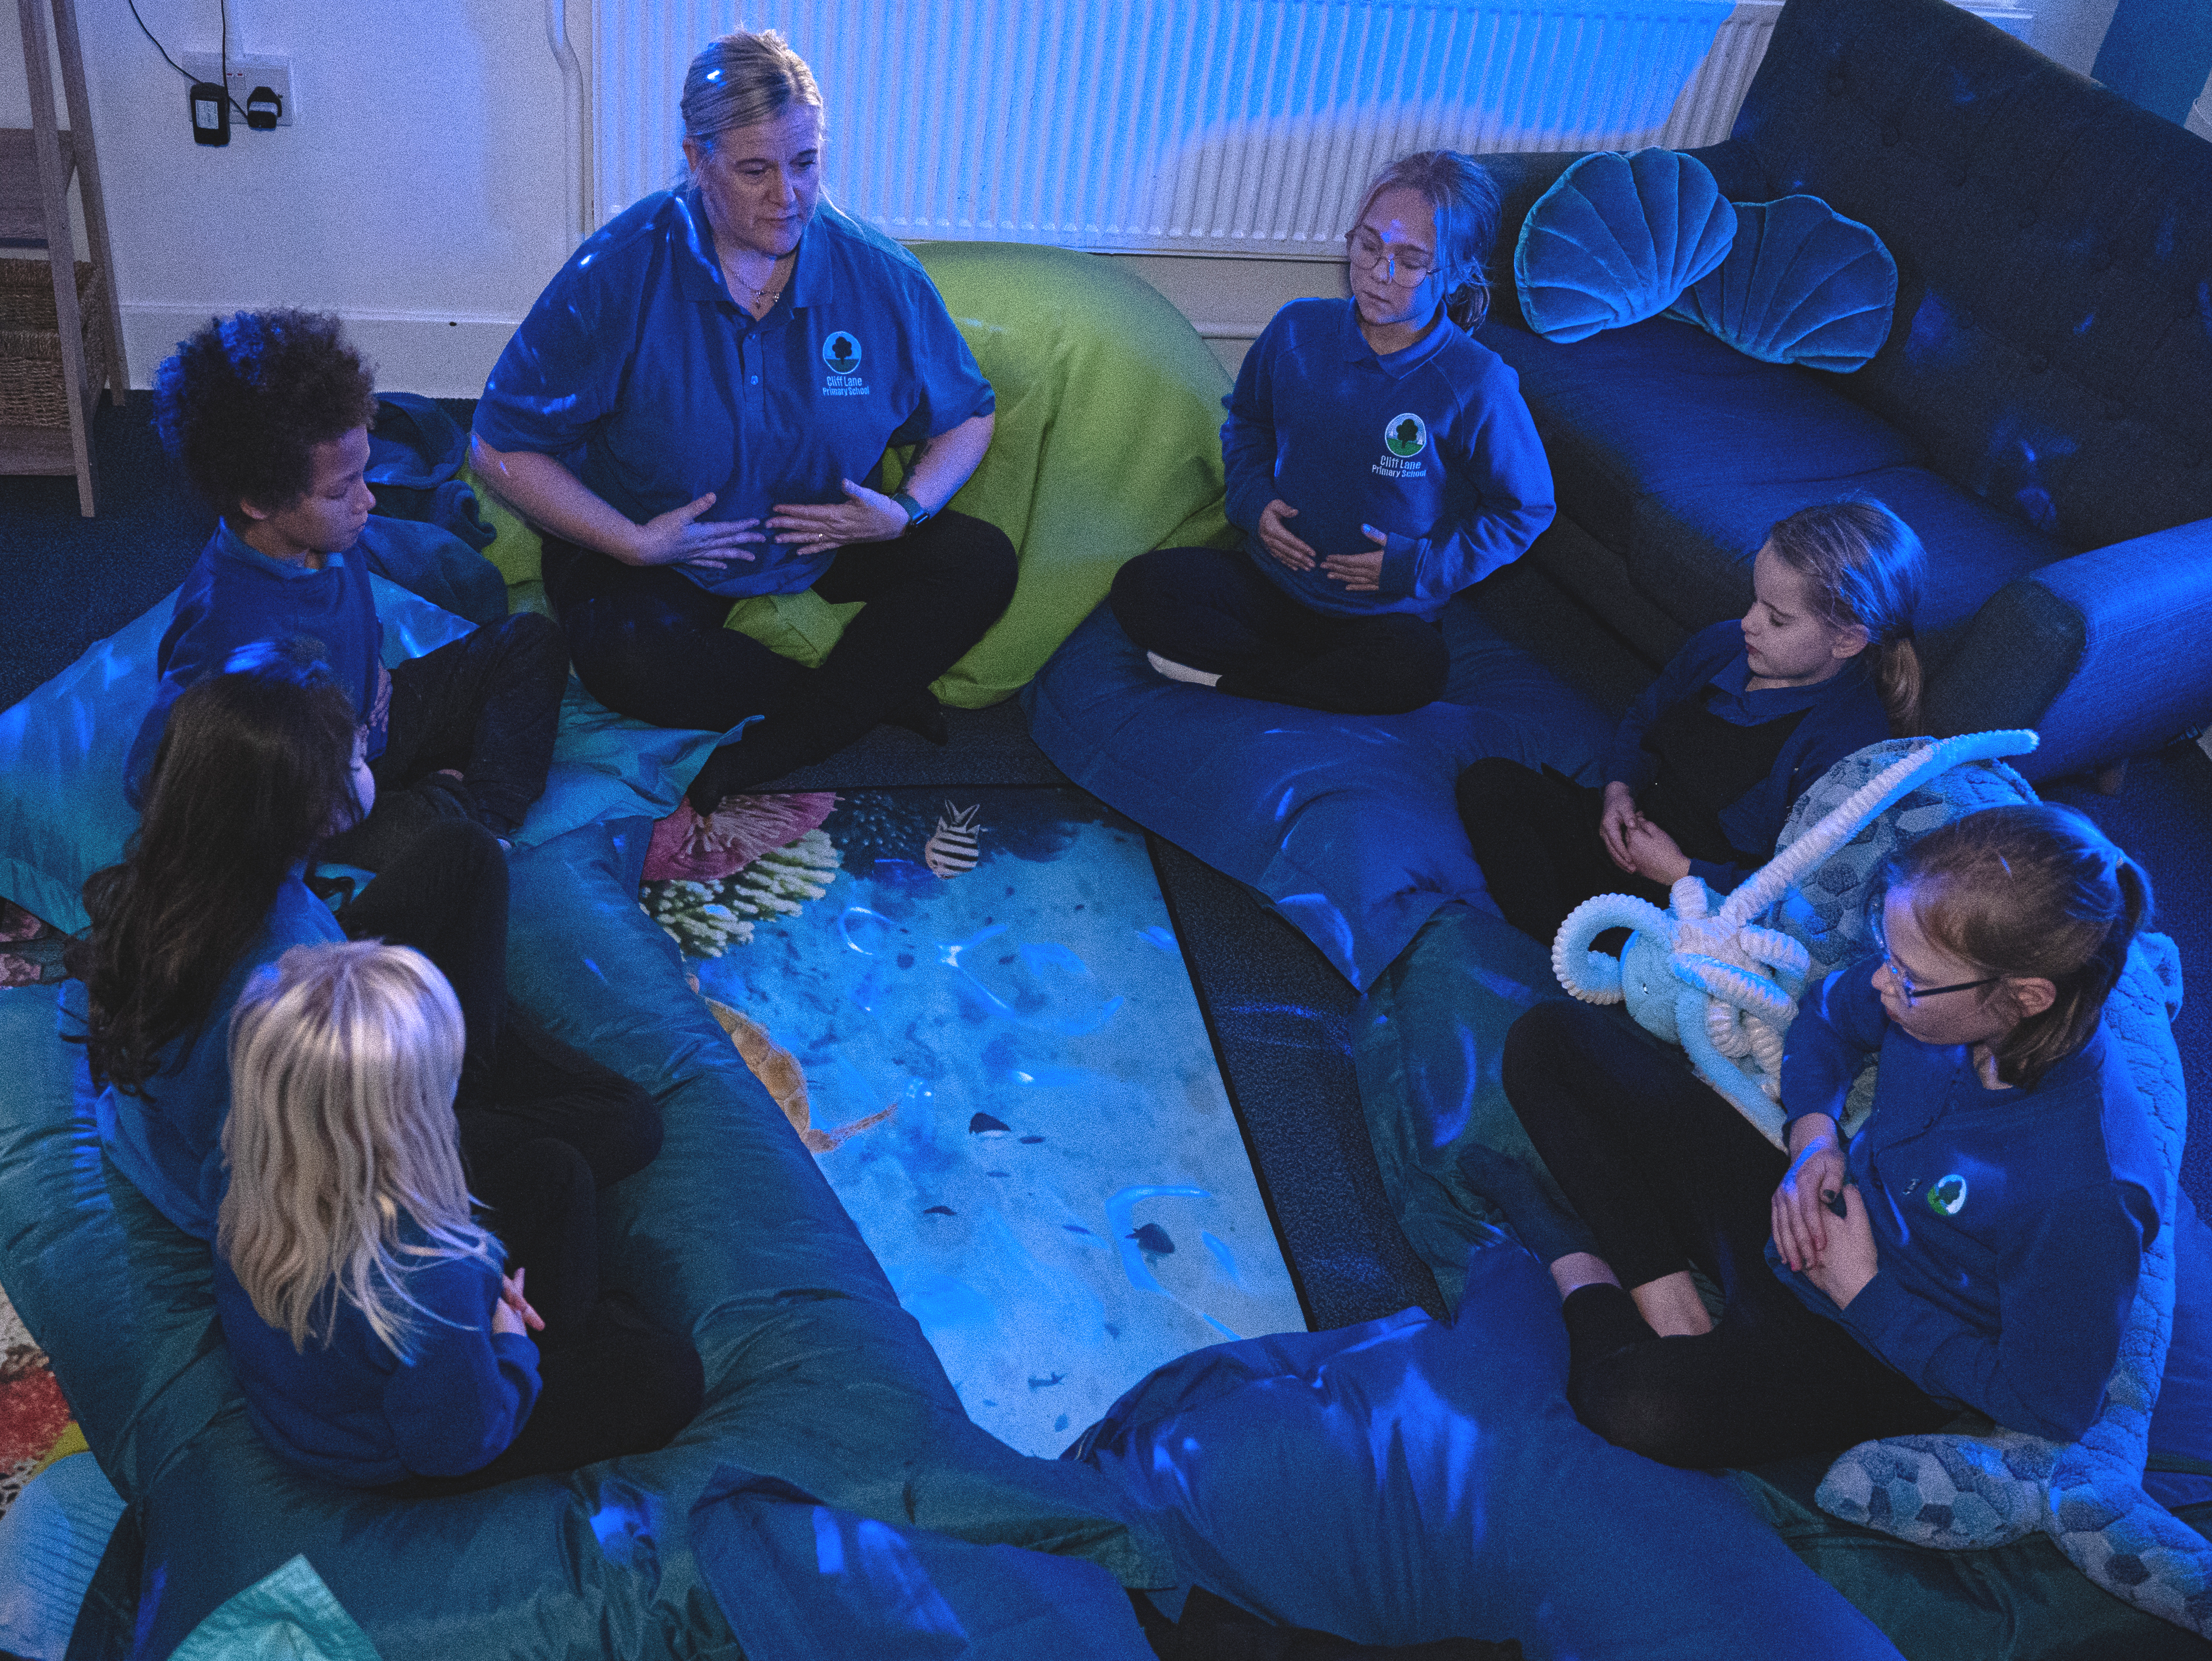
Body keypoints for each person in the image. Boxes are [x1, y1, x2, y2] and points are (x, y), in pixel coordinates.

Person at [1493, 803, 2164, 1470]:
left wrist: (1863, 1291)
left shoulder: (2086, 1194)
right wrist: (1814, 1140)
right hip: (1811, 1211)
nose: (1881, 980)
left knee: (1637, 1406)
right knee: (1546, 1041)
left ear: (2027, 998)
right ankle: (1666, 1294)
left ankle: (1575, 1259)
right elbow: (1827, 1014)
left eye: (1910, 977)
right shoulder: (1934, 990)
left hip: (1874, 1346)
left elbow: (2050, 1403)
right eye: (1889, 954)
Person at [470, 29, 1016, 814]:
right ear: (697, 161)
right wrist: (633, 541)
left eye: (805, 164)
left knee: (980, 562)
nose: (787, 196)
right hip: (661, 543)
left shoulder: (879, 274)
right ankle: (854, 702)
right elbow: (497, 443)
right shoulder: (618, 270)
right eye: (754, 170)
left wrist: (903, 514)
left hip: (815, 533)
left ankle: (794, 734)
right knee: (623, 656)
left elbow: (969, 414)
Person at [65, 642, 660, 1244]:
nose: (368, 760)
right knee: (626, 1121)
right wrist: (418, 1102)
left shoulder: (193, 867)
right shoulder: (286, 974)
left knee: (465, 851)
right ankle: (456, 1099)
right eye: (355, 760)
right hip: (317, 1148)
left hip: (266, 1076)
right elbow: (311, 1172)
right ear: (312, 809)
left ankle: (464, 1078)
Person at [214, 941, 702, 1488]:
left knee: (555, 1167)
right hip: (394, 1451)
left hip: (344, 1385)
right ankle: (573, 1339)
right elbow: (455, 1445)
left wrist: (483, 1291)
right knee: (667, 1374)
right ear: (411, 1118)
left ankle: (570, 1332)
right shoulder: (433, 1279)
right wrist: (511, 1345)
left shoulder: (253, 1182)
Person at [1108, 150, 1553, 716]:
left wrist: (1417, 567)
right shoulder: (1297, 329)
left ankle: (1232, 681)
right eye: (1367, 246)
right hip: (1272, 584)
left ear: (1459, 272)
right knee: (1141, 588)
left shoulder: (1477, 382)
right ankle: (1286, 682)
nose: (1378, 273)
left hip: (1382, 615)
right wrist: (1254, 503)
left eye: (1410, 261)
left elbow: (1525, 508)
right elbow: (1247, 423)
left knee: (1412, 672)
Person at [127, 309, 569, 871]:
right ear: (259, 501)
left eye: (364, 474)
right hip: (324, 796)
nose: (369, 500)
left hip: (374, 726)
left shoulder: (329, 536)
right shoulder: (228, 632)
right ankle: (458, 814)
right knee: (427, 835)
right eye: (342, 489)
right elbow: (153, 776)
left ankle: (477, 812)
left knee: (531, 643)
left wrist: (377, 686)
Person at [1458, 499, 1924, 945]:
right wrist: (1617, 791)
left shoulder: (1850, 749)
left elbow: (1803, 891)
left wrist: (1681, 871)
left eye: (1777, 620)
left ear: (1846, 640)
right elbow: (1645, 716)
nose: (1748, 623)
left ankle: (1571, 953)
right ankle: (1564, 944)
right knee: (1488, 784)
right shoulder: (1723, 646)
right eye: (1754, 601)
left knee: (1666, 960)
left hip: (1700, 903)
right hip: (1631, 834)